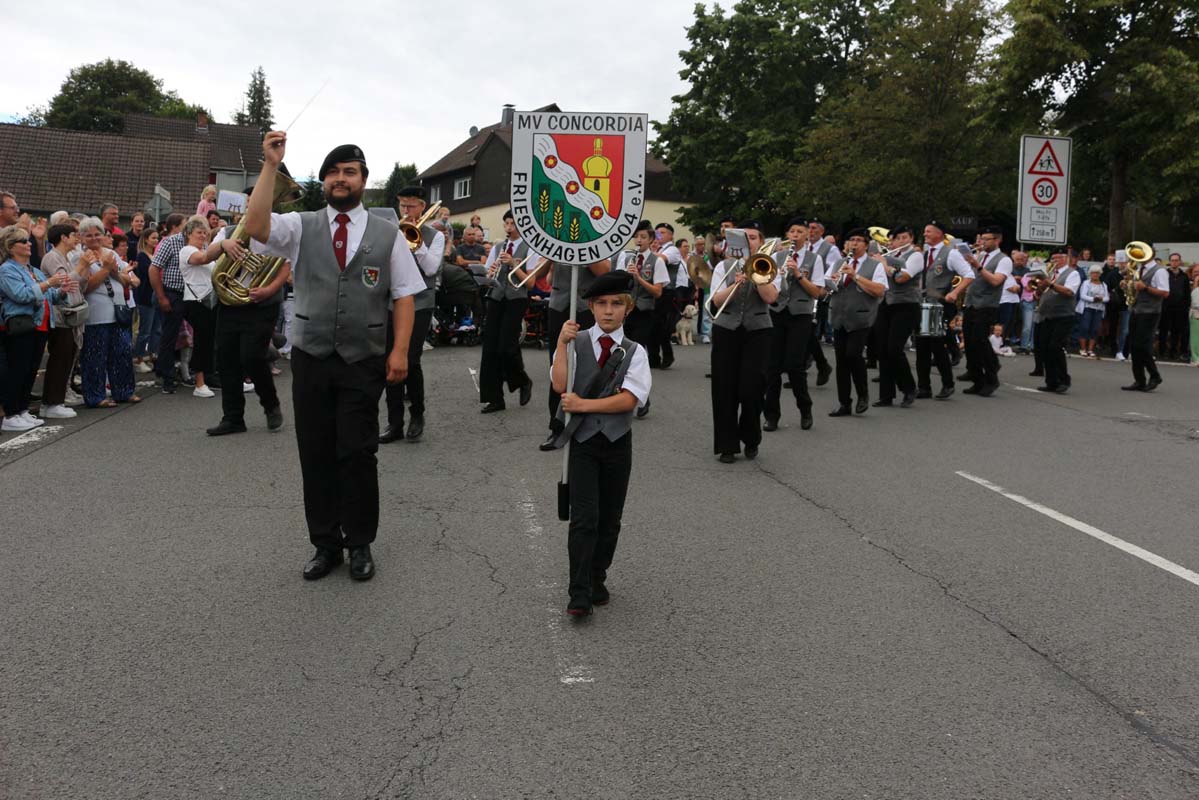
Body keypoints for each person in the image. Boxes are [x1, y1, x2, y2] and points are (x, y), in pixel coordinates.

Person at [244, 132, 424, 582]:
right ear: (323, 181)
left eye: (350, 172)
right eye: (333, 173)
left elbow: (404, 295)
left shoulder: (388, 233)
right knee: (316, 452)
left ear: (363, 180)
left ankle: (360, 541)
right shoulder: (300, 225)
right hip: (311, 356)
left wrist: (400, 352)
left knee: (358, 453)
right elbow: (256, 227)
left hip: (364, 358)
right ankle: (325, 544)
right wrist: (270, 166)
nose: (340, 179)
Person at [550, 270, 650, 617]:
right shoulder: (575, 342)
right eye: (602, 303)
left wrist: (583, 405)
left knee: (610, 519)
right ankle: (578, 591)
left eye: (616, 304)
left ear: (628, 308)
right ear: (590, 307)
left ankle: (597, 576)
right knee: (584, 518)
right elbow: (560, 384)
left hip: (617, 442)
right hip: (582, 443)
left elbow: (629, 399)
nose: (608, 311)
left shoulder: (635, 351)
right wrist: (561, 345)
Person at [205, 193, 291, 437]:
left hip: (262, 305)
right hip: (230, 303)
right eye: (251, 199)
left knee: (252, 356)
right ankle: (233, 418)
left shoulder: (279, 231)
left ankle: (270, 404)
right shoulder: (229, 231)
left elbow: (285, 266)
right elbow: (209, 253)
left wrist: (269, 290)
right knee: (227, 360)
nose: (254, 202)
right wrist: (224, 245)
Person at [708, 221, 782, 462]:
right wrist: (735, 283)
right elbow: (716, 301)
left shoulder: (770, 265)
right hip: (726, 329)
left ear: (760, 242)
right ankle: (727, 446)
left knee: (753, 388)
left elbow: (771, 298)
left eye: (753, 237)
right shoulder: (724, 266)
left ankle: (751, 437)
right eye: (744, 237)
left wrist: (757, 276)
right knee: (724, 388)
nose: (749, 241)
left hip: (758, 330)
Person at [380, 186, 444, 443]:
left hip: (420, 302)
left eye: (411, 206)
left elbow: (431, 268)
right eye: (402, 205)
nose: (405, 211)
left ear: (422, 207)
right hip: (393, 302)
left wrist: (415, 243)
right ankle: (394, 423)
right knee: (389, 360)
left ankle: (417, 415)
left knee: (411, 360)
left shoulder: (435, 236)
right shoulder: (389, 231)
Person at [1, 226, 74, 431]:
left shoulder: (33, 270)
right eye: (23, 241)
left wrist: (62, 291)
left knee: (30, 370)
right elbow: (20, 295)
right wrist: (48, 283)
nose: (29, 244)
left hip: (41, 325)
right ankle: (11, 414)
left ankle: (22, 410)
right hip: (21, 326)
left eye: (28, 240)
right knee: (18, 370)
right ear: (11, 247)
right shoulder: (7, 270)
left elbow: (50, 296)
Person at [541, 254, 611, 450]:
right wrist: (550, 255)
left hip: (586, 306)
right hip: (558, 304)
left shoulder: (595, 241)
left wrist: (581, 250)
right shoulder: (554, 238)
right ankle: (557, 427)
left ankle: (588, 425)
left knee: (588, 366)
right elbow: (540, 275)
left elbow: (603, 270)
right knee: (558, 365)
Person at [764, 217, 825, 429]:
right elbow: (769, 286)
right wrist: (779, 276)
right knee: (772, 366)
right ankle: (771, 415)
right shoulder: (776, 256)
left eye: (800, 232)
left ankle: (805, 408)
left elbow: (817, 292)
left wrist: (798, 274)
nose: (795, 235)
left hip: (800, 315)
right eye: (792, 232)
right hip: (777, 312)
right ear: (787, 235)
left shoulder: (815, 259)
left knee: (794, 365)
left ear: (807, 235)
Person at [477, 210, 536, 414]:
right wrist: (491, 271)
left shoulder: (530, 248)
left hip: (516, 298)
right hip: (496, 296)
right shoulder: (497, 247)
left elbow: (531, 282)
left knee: (507, 347)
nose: (509, 228)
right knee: (490, 348)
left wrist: (512, 264)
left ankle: (523, 380)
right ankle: (494, 399)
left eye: (513, 224)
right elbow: (487, 274)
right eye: (507, 224)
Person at [824, 229, 888, 416]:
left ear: (866, 245)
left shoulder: (874, 265)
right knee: (841, 361)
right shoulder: (838, 263)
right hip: (839, 316)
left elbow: (880, 290)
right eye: (851, 240)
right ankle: (844, 403)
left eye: (859, 240)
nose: (854, 243)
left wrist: (855, 276)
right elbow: (826, 285)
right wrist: (832, 282)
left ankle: (863, 394)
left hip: (861, 317)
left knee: (853, 355)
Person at [915, 221, 972, 400]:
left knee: (937, 345)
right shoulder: (924, 253)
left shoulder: (951, 253)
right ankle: (924, 387)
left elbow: (969, 274)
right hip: (922, 303)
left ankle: (948, 384)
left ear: (940, 233)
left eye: (929, 231)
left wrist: (954, 292)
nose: (925, 234)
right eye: (925, 231)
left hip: (938, 305)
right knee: (921, 347)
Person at [38, 223, 86, 419]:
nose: (77, 238)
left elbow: (79, 284)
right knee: (59, 359)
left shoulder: (66, 257)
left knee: (67, 358)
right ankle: (51, 403)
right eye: (73, 235)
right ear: (63, 237)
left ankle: (57, 400)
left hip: (71, 315)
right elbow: (64, 282)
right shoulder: (52, 257)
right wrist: (81, 266)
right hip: (60, 316)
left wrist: (85, 268)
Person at [960, 226, 1012, 397]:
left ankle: (991, 378)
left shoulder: (1004, 260)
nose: (982, 243)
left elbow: (996, 281)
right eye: (981, 239)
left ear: (997, 240)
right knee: (970, 343)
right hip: (971, 303)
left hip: (987, 305)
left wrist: (978, 266)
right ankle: (977, 380)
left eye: (986, 239)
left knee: (980, 341)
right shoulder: (981, 255)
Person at [616, 221, 668, 388]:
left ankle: (636, 387)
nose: (639, 240)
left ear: (651, 239)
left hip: (644, 311)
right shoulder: (625, 258)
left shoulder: (656, 261)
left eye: (643, 237)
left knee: (636, 350)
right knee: (622, 349)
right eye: (636, 236)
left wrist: (639, 278)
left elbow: (658, 292)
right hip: (626, 311)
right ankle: (624, 386)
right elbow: (618, 284)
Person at [875, 226, 922, 408]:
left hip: (906, 305)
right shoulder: (890, 255)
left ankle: (909, 388)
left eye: (905, 237)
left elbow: (902, 277)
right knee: (882, 349)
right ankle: (886, 395)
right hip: (886, 304)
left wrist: (884, 264)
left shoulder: (915, 256)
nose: (901, 241)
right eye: (897, 238)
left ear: (911, 238)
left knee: (894, 349)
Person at [178, 216, 219, 398]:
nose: (203, 235)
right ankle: (199, 383)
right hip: (196, 301)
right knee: (202, 341)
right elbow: (202, 259)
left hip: (210, 300)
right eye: (199, 232)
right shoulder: (187, 250)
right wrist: (222, 246)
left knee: (211, 341)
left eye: (204, 232)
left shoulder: (205, 250)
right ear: (189, 234)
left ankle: (212, 377)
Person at [149, 213, 188, 393]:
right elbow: (154, 268)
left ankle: (195, 372)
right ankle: (167, 377)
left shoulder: (197, 243)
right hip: (173, 293)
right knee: (169, 336)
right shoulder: (169, 242)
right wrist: (161, 297)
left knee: (194, 335)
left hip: (192, 295)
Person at [1031, 249, 1079, 393]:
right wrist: (1039, 289)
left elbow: (1069, 292)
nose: (1054, 261)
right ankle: (1051, 382)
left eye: (1058, 258)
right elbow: (1040, 294)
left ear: (1065, 259)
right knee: (1045, 348)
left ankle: (1064, 380)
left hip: (1063, 315)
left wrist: (1050, 284)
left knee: (1055, 347)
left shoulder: (1072, 273)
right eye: (1053, 259)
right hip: (1047, 315)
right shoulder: (1050, 274)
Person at [1122, 251, 1169, 392]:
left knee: (1141, 345)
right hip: (1136, 309)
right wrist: (1126, 285)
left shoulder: (1159, 271)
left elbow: (1165, 293)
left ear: (1151, 255)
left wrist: (1146, 288)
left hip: (1150, 312)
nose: (1138, 257)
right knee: (1134, 346)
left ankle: (1154, 376)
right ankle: (1139, 380)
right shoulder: (1139, 269)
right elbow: (1135, 289)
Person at [650, 222, 687, 369]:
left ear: (671, 236)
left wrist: (648, 253)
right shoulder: (656, 248)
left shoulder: (672, 250)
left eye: (662, 232)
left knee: (663, 326)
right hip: (653, 290)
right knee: (652, 325)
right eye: (657, 233)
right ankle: (653, 358)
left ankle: (667, 355)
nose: (658, 235)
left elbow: (660, 259)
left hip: (667, 292)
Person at [132, 227, 161, 373]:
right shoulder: (142, 256)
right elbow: (147, 275)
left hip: (156, 296)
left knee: (157, 329)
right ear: (146, 240)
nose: (156, 241)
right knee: (145, 330)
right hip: (145, 297)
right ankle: (138, 358)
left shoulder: (155, 255)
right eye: (153, 238)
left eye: (157, 238)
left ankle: (152, 355)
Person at [1160, 253, 1190, 360]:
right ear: (1170, 262)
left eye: (1176, 260)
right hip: (1165, 307)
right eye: (1172, 260)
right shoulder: (1164, 274)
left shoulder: (1184, 276)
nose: (1174, 262)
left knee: (1176, 332)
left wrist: (1186, 306)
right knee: (1163, 331)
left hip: (1179, 309)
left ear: (1180, 262)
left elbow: (1187, 293)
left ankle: (1173, 352)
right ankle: (1162, 352)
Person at [1076, 264, 1109, 358]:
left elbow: (1107, 298)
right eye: (1093, 273)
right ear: (1090, 274)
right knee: (1085, 328)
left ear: (1100, 274)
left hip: (1098, 310)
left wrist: (1101, 299)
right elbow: (1082, 295)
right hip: (1087, 308)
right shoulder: (1086, 283)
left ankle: (1090, 349)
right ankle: (1083, 349)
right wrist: (1093, 299)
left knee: (1095, 329)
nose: (1095, 275)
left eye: (1097, 273)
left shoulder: (1104, 285)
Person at [1189, 264, 1199, 366]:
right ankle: (1195, 358)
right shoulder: (1189, 283)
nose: (1197, 273)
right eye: (1195, 271)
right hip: (1195, 313)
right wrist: (1195, 283)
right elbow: (1193, 297)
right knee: (1195, 338)